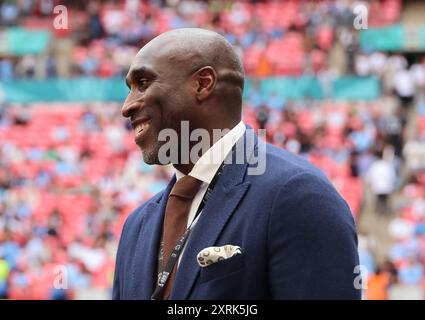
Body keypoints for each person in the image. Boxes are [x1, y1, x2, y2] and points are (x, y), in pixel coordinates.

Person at [113, 28, 360, 300]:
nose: (127, 106)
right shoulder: (136, 226)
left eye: (143, 83)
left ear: (203, 83)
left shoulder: (298, 196)